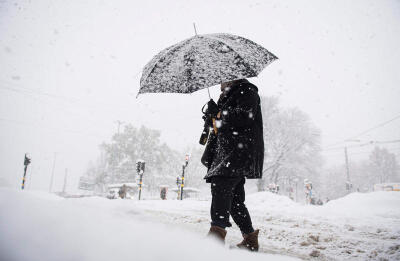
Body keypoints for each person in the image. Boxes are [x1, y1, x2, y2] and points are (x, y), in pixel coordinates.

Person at [201, 78, 264, 251]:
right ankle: (250, 238)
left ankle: (216, 236)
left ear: (233, 77)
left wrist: (221, 114)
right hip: (226, 152)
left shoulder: (247, 91)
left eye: (222, 78)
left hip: (237, 152)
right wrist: (211, 117)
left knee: (220, 186)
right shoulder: (227, 95)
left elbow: (245, 116)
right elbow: (222, 126)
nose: (219, 82)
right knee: (235, 200)